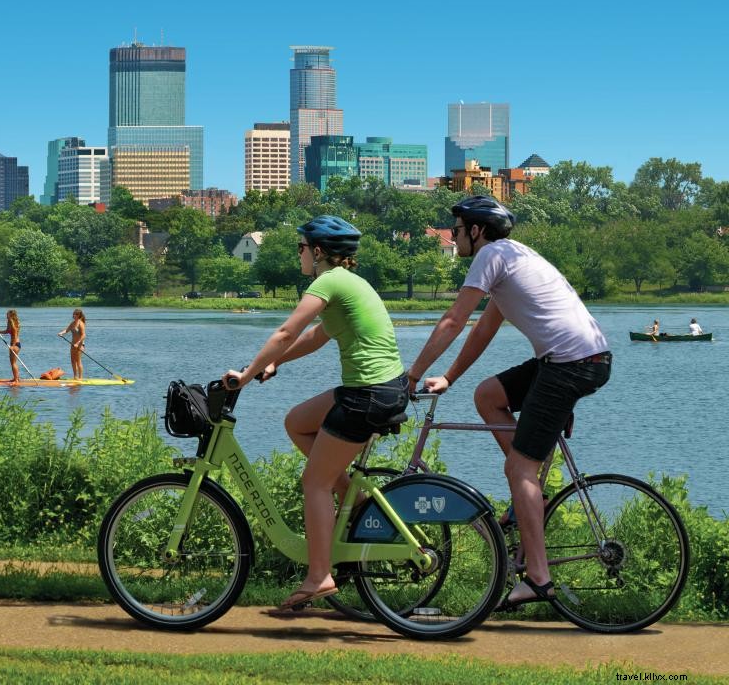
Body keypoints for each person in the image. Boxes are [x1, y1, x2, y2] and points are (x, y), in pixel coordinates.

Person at [406, 195, 611, 611]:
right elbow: (482, 330)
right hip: (578, 360)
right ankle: (528, 498)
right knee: (488, 396)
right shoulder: (513, 257)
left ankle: (538, 579)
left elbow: (454, 319)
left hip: (569, 364)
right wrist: (448, 377)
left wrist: (410, 376)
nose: (455, 236)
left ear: (477, 231)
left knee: (518, 468)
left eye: (459, 230)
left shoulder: (491, 255)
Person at [222, 215, 408, 612]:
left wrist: (246, 374)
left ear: (318, 251)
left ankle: (319, 575)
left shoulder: (327, 281)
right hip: (377, 389)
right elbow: (316, 336)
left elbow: (286, 332)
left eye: (301, 247)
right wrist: (276, 364)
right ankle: (354, 497)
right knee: (297, 422)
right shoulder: (349, 282)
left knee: (314, 483)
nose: (299, 255)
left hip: (367, 395)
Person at [58, 309, 87, 379]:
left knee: (78, 361)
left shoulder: (81, 324)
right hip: (73, 345)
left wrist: (77, 343)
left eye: (76, 314)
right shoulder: (72, 323)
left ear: (79, 315)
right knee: (73, 361)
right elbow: (67, 330)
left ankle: (80, 377)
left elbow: (83, 335)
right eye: (74, 314)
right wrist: (61, 333)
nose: (74, 315)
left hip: (79, 345)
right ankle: (75, 377)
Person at [0, 309, 21, 383]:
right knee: (13, 362)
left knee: (13, 363)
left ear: (10, 315)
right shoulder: (11, 322)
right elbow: (7, 331)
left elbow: (15, 333)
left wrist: (13, 345)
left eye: (7, 314)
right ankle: (16, 378)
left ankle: (16, 380)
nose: (6, 316)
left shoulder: (11, 322)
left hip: (15, 344)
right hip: (15, 344)